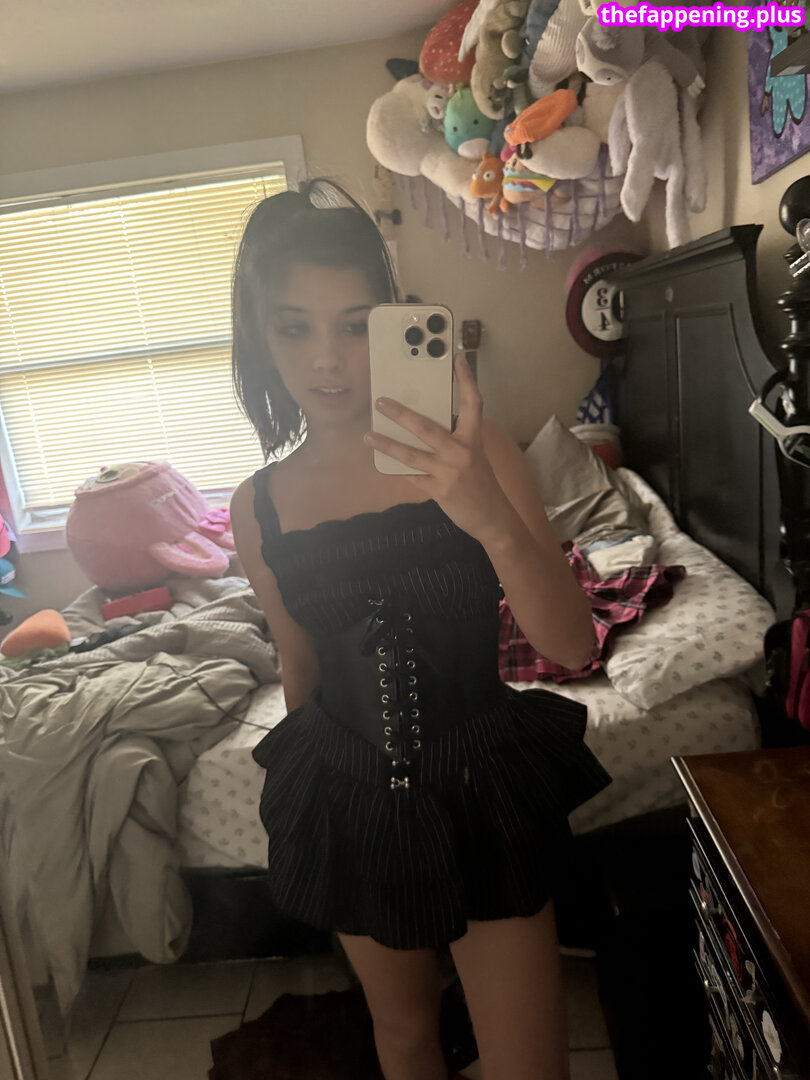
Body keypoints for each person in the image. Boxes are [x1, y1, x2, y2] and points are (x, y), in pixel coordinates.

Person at [229, 177, 611, 1080]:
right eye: (295, 329)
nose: (328, 361)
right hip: (350, 796)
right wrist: (310, 802)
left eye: (356, 325)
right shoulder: (259, 506)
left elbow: (572, 646)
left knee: (530, 1069)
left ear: (396, 322)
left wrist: (485, 514)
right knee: (403, 1038)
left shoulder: (476, 450)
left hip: (480, 786)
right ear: (261, 340)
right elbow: (299, 666)